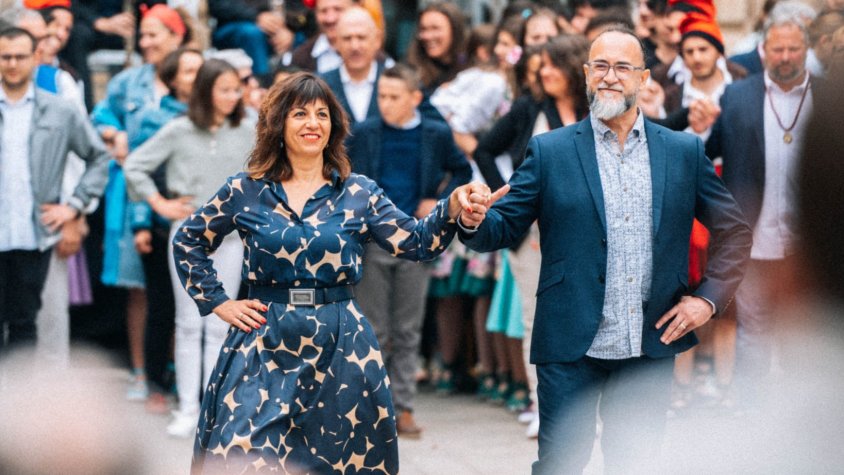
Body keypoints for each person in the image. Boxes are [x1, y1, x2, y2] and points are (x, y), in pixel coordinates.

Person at [458, 27, 752, 474]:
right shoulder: (550, 151)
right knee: (559, 465)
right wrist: (472, 219)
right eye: (600, 66)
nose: (610, 76)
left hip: (649, 346)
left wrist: (706, 300)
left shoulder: (682, 152)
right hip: (570, 345)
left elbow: (734, 232)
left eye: (622, 67)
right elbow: (501, 228)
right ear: (586, 75)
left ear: (643, 78)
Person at [171, 72, 489, 473]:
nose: (312, 123)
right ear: (278, 123)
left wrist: (454, 206)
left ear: (333, 127)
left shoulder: (359, 192)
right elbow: (188, 241)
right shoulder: (246, 189)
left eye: (322, 114)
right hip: (264, 338)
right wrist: (218, 302)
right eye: (300, 113)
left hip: (340, 342)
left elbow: (417, 242)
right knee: (242, 455)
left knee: (336, 462)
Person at [125, 58, 255, 438]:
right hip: (188, 235)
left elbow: (265, 173)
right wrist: (160, 203)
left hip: (230, 237)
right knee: (186, 323)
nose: (234, 96)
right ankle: (187, 408)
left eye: (237, 89)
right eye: (226, 89)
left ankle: (211, 410)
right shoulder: (179, 129)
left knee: (219, 323)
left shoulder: (248, 130)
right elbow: (135, 165)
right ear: (206, 91)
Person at [347, 64, 472, 439]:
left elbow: (462, 169)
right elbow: (344, 174)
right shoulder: (366, 132)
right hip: (371, 242)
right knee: (373, 330)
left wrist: (438, 200)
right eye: (381, 96)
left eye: (394, 97)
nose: (385, 103)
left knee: (407, 329)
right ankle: (372, 409)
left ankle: (402, 407)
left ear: (415, 98)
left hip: (414, 241)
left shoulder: (434, 133)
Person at [705, 10, 822, 411]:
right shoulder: (737, 95)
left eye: (794, 48)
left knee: (803, 335)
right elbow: (708, 153)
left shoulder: (829, 95)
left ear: (806, 50)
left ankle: (799, 417)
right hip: (753, 237)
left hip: (812, 244)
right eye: (778, 49)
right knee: (752, 334)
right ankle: (751, 416)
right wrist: (697, 125)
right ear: (763, 50)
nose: (786, 56)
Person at [91, 3, 192, 402]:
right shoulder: (128, 82)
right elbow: (100, 114)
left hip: (180, 193)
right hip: (134, 191)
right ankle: (139, 370)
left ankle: (171, 367)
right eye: (143, 35)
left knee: (179, 288)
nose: (146, 42)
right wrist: (113, 133)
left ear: (177, 36)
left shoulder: (192, 81)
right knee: (138, 286)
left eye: (154, 34)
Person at [0, 27, 110, 355]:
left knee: (24, 323)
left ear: (36, 58)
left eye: (20, 56)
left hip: (33, 233)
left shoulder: (58, 110)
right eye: (5, 57)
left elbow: (98, 157)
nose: (12, 64)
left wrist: (73, 206)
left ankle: (17, 403)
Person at [321, 6, 388, 125]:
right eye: (347, 38)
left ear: (377, 40)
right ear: (336, 42)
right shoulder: (319, 85)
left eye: (361, 38)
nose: (354, 46)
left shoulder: (399, 83)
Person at [290, 0, 352, 73]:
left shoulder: (367, 51)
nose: (330, 19)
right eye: (323, 11)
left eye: (337, 9)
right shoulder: (301, 57)